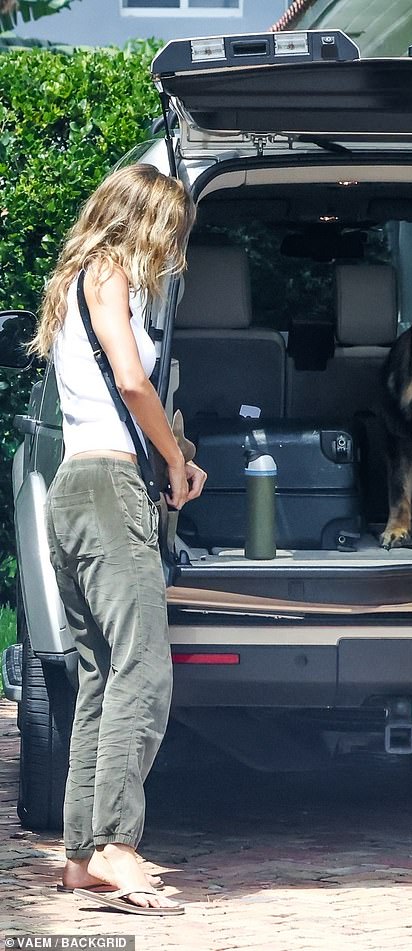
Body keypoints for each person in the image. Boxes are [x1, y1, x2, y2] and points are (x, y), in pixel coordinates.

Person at [29, 164, 206, 915]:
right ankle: (117, 845)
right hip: (107, 493)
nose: (172, 250)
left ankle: (80, 856)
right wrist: (174, 459)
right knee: (143, 667)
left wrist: (171, 453)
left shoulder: (76, 279)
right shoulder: (109, 273)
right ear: (141, 219)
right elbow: (131, 382)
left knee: (101, 675)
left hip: (74, 489)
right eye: (169, 230)